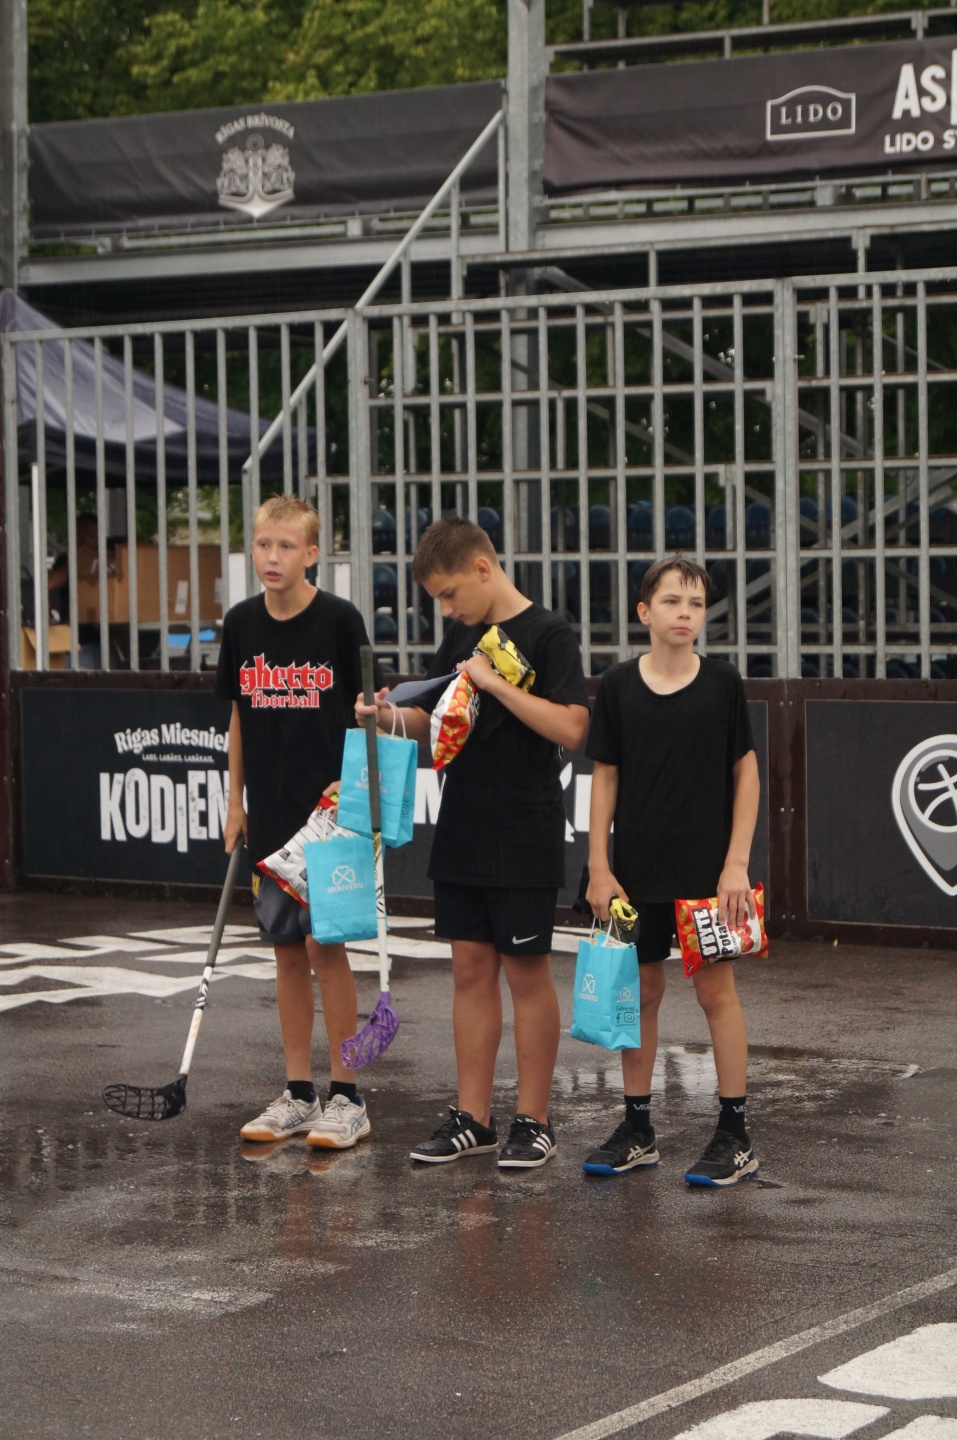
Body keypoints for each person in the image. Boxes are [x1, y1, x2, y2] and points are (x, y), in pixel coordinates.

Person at [359, 516, 589, 1169]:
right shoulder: (461, 636)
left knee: (526, 972)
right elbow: (432, 717)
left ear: (482, 568)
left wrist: (495, 684)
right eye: (437, 598)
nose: (446, 608)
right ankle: (473, 1118)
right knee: (468, 970)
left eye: (449, 593)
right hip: (462, 821)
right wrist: (386, 716)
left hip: (525, 825)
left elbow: (572, 727)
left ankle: (534, 1120)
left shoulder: (549, 633)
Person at [584, 554, 761, 1187]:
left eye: (695, 603)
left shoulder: (722, 683)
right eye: (671, 601)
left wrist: (735, 863)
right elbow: (605, 778)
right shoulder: (618, 686)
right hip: (635, 874)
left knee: (716, 995)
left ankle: (735, 1134)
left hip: (708, 876)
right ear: (644, 611)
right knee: (639, 994)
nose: (685, 613)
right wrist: (598, 866)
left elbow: (746, 773)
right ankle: (638, 1129)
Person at [217, 494, 374, 1151]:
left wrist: (357, 791)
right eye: (263, 544)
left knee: (325, 949)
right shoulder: (241, 623)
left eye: (286, 546)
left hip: (331, 817)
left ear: (312, 553)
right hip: (273, 813)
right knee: (285, 952)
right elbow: (237, 715)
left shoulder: (339, 620)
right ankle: (299, 1092)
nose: (272, 557)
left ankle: (348, 1097)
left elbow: (367, 711)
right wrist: (235, 802)